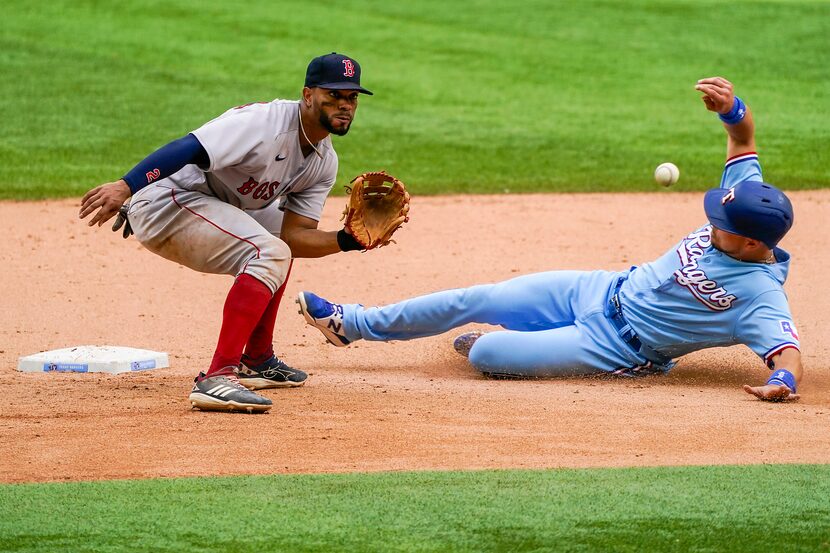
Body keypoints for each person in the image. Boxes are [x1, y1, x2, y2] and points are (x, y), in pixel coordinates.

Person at [297, 77, 802, 402]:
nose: (713, 221)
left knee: (485, 357)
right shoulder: (746, 202)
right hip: (599, 288)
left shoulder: (759, 295)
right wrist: (732, 109)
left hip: (615, 348)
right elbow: (743, 141)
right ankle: (353, 323)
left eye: (723, 225)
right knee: (481, 297)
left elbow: (787, 353)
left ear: (756, 245)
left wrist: (783, 383)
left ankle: (517, 348)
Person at [79, 53, 375, 413]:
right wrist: (128, 186)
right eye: (334, 95)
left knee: (279, 245)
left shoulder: (323, 159)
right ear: (308, 94)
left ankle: (257, 359)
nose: (345, 105)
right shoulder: (263, 123)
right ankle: (217, 376)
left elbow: (295, 236)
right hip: (168, 201)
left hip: (214, 205)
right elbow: (187, 147)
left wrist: (347, 240)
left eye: (352, 98)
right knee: (269, 251)